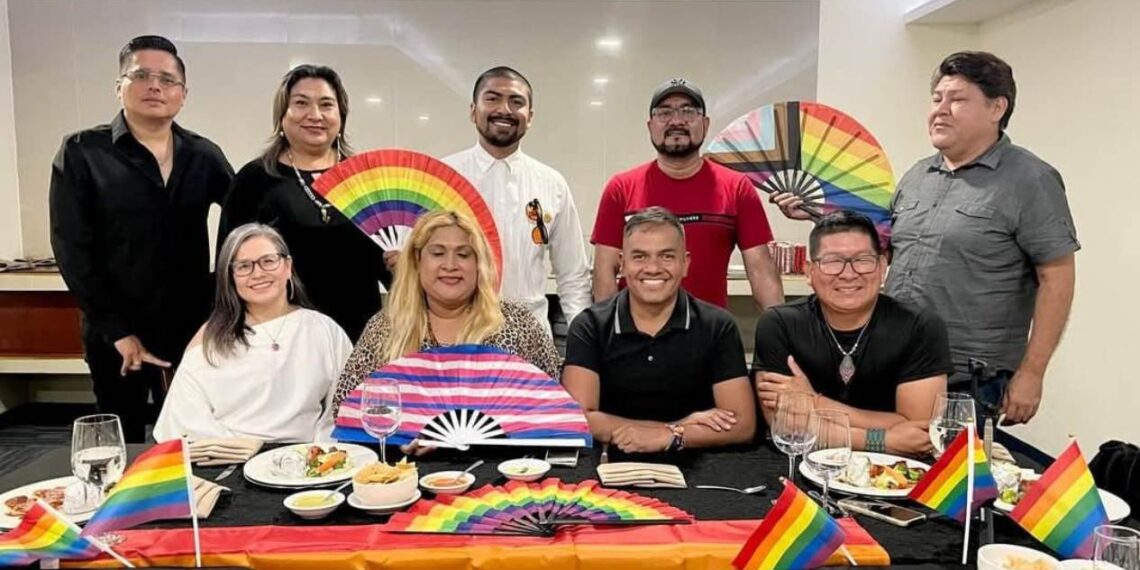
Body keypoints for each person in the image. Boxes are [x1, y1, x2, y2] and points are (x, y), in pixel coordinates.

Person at [771, 52, 1078, 425]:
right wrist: (820, 214)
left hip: (967, 377)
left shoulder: (1031, 180)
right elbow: (881, 250)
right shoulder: (918, 176)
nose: (941, 110)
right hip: (894, 359)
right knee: (881, 472)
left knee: (945, 479)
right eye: (936, 99)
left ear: (997, 107)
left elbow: (1057, 276)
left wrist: (1032, 372)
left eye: (958, 99)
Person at [49, 35, 233, 442]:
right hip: (115, 331)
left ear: (182, 95)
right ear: (119, 87)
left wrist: (222, 299)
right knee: (121, 442)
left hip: (190, 328)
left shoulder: (203, 154)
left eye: (168, 80)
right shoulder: (82, 152)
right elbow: (72, 249)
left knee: (194, 439)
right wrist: (118, 332)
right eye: (142, 75)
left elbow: (245, 220)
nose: (155, 86)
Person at [753, 211, 949, 456]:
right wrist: (883, 439)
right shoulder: (779, 324)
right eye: (833, 261)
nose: (848, 274)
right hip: (804, 466)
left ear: (882, 266)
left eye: (862, 260)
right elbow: (786, 427)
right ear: (809, 272)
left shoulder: (919, 326)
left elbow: (919, 433)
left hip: (896, 472)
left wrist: (815, 402)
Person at [220, 64, 392, 342]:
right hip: (279, 337)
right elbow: (230, 267)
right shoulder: (254, 181)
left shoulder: (366, 180)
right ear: (282, 115)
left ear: (341, 116)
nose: (315, 115)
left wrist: (401, 265)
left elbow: (388, 268)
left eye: (326, 104)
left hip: (360, 337)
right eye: (301, 103)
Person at [331, 210, 562, 416]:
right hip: (407, 461)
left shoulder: (516, 323)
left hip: (503, 462)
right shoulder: (386, 327)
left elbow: (554, 399)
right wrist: (404, 431)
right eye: (438, 253)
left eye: (463, 255)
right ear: (417, 261)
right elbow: (346, 406)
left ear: (479, 264)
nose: (450, 265)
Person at [564, 207, 756, 454]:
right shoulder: (589, 325)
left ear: (685, 263)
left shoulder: (718, 325)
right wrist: (673, 430)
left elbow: (742, 425)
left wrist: (669, 436)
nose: (653, 268)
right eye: (640, 257)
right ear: (622, 264)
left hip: (700, 468)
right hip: (610, 465)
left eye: (666, 256)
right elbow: (579, 419)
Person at [592, 78, 783, 310]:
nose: (677, 121)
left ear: (705, 123)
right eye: (664, 113)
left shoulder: (737, 188)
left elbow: (761, 270)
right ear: (650, 126)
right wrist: (606, 334)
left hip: (710, 337)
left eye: (688, 112)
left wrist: (781, 334)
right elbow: (604, 272)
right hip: (635, 338)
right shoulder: (621, 188)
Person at [153, 224, 351, 443]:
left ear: (288, 267)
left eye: (268, 261)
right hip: (228, 462)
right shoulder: (210, 339)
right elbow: (182, 420)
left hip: (308, 463)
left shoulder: (324, 329)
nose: (258, 273)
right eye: (244, 266)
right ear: (230, 277)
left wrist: (319, 455)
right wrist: (243, 454)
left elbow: (345, 406)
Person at [442, 66, 591, 334]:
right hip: (457, 335)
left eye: (516, 102)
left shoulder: (551, 183)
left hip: (530, 337)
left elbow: (573, 277)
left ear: (530, 116)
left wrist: (584, 344)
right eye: (492, 98)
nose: (505, 109)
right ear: (473, 111)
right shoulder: (443, 177)